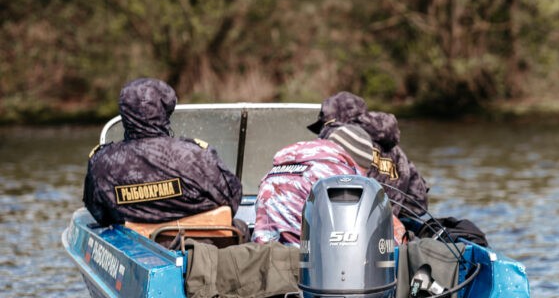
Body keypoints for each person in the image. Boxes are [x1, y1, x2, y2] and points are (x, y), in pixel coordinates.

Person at [83, 78, 242, 226]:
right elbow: (232, 198)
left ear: (124, 111)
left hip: (133, 250)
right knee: (240, 227)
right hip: (202, 248)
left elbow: (99, 214)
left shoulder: (101, 163)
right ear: (166, 109)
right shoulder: (195, 156)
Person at [307, 91, 430, 218]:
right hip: (388, 231)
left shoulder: (336, 140)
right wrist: (392, 217)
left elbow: (313, 188)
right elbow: (418, 201)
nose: (321, 132)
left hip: (346, 228)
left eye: (322, 126)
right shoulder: (398, 153)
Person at [251, 124, 375, 246]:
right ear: (356, 163)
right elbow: (350, 231)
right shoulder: (340, 175)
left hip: (262, 255)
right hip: (302, 260)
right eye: (364, 172)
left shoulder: (286, 163)